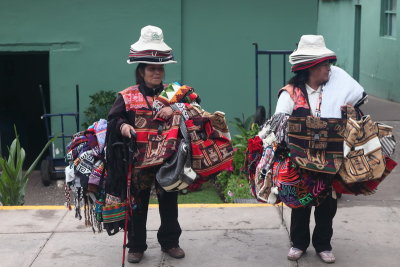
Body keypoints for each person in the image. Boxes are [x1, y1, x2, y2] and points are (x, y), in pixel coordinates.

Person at [275, 35, 365, 263]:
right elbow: (278, 123)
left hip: (331, 160)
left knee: (328, 204)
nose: (328, 69)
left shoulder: (335, 90)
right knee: (301, 203)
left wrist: (349, 114)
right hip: (301, 160)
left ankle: (323, 244)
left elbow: (355, 120)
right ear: (310, 68)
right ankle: (299, 243)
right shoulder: (290, 94)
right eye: (324, 64)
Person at [107, 25, 185, 264]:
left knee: (169, 204)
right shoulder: (127, 96)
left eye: (160, 68)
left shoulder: (174, 92)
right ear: (141, 71)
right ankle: (137, 245)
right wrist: (123, 127)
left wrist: (175, 107)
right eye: (152, 69)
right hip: (139, 161)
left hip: (167, 160)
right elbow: (114, 118)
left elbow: (193, 108)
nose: (157, 73)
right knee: (138, 205)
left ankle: (170, 242)